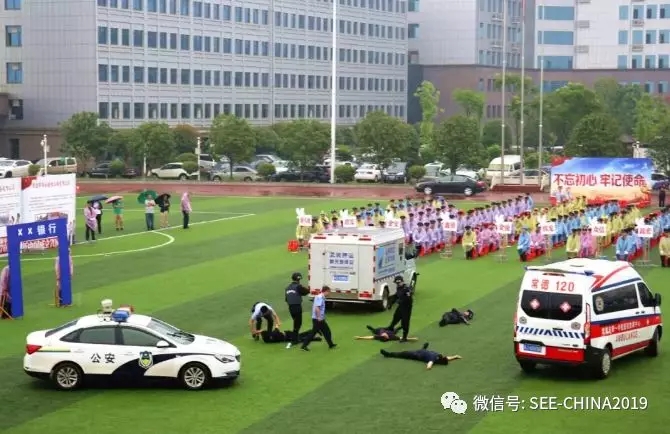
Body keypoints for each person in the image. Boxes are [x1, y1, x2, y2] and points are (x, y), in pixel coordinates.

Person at [301, 286, 337, 351]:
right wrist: (319, 317)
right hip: (318, 319)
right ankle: (304, 346)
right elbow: (317, 308)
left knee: (325, 331)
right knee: (316, 332)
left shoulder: (320, 297)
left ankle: (331, 344)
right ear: (326, 291)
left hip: (318, 318)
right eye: (329, 292)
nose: (329, 293)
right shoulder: (320, 297)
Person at [379, 343, 462, 370]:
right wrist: (455, 356)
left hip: (416, 355)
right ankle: (423, 348)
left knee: (402, 354)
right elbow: (448, 358)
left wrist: (429, 367)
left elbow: (429, 365)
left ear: (440, 360)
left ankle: (388, 354)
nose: (443, 356)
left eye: (442, 357)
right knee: (424, 351)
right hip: (422, 351)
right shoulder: (439, 357)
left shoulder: (433, 359)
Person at [285, 272, 310, 349]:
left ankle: (295, 338)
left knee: (295, 322)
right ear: (299, 279)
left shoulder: (287, 287)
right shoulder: (298, 287)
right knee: (298, 324)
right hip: (297, 307)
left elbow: (286, 299)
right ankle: (295, 340)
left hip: (290, 308)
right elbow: (306, 292)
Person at [387, 275, 414, 341]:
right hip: (401, 306)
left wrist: (400, 301)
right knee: (396, 316)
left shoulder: (406, 289)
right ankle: (391, 327)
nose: (397, 284)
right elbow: (396, 296)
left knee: (405, 322)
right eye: (396, 283)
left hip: (407, 307)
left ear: (402, 282)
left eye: (398, 283)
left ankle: (404, 337)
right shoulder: (399, 288)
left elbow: (408, 298)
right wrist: (391, 303)